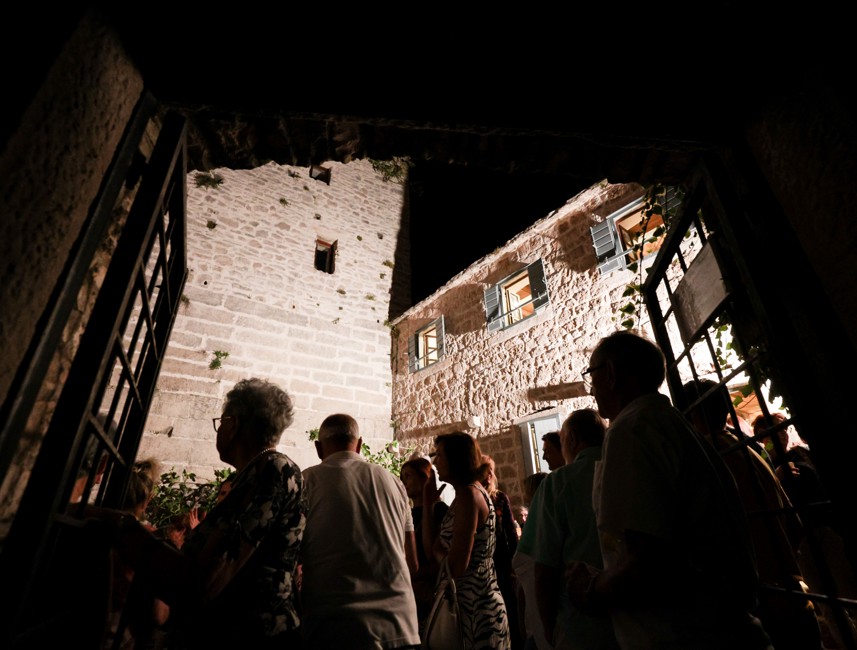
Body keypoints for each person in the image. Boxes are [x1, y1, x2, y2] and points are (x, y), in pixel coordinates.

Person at [566, 330, 772, 649]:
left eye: (591, 375)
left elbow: (646, 559)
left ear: (610, 373)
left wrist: (592, 589)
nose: (590, 388)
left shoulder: (633, 428)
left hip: (685, 635)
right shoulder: (668, 423)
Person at [94, 377, 306, 650]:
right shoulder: (254, 475)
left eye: (220, 422)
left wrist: (123, 527)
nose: (218, 431)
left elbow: (205, 580)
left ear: (233, 424)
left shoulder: (274, 468)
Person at [684, 379, 821, 650]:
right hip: (793, 593)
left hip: (761, 604)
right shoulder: (750, 450)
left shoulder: (707, 460)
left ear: (693, 412)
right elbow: (793, 526)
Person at [299, 413, 421, 649]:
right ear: (360, 444)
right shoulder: (394, 483)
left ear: (318, 447)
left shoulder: (307, 481)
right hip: (400, 626)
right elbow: (412, 563)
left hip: (336, 628)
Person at [528, 409, 619, 650]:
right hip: (637, 614)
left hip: (580, 624)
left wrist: (548, 625)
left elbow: (544, 567)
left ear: (571, 439)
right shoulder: (628, 467)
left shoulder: (558, 483)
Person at [423, 432, 511, 649]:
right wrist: (428, 504)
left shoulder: (469, 496)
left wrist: (438, 551)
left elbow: (456, 565)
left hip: (475, 610)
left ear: (456, 459)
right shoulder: (465, 494)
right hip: (468, 605)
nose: (435, 462)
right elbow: (431, 549)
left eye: (440, 456)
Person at [400, 456, 449, 631]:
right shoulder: (407, 514)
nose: (404, 481)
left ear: (424, 478)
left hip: (431, 588)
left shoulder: (440, 510)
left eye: (408, 476)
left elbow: (439, 556)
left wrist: (415, 576)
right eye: (402, 477)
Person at [482, 453, 522, 649]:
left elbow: (509, 532)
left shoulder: (499, 498)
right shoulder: (474, 498)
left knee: (509, 603)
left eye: (490, 471)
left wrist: (514, 563)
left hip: (502, 559)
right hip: (486, 560)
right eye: (485, 470)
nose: (489, 475)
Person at [511, 471, 551, 650]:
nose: (524, 497)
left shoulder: (541, 527)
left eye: (527, 493)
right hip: (533, 623)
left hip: (541, 621)